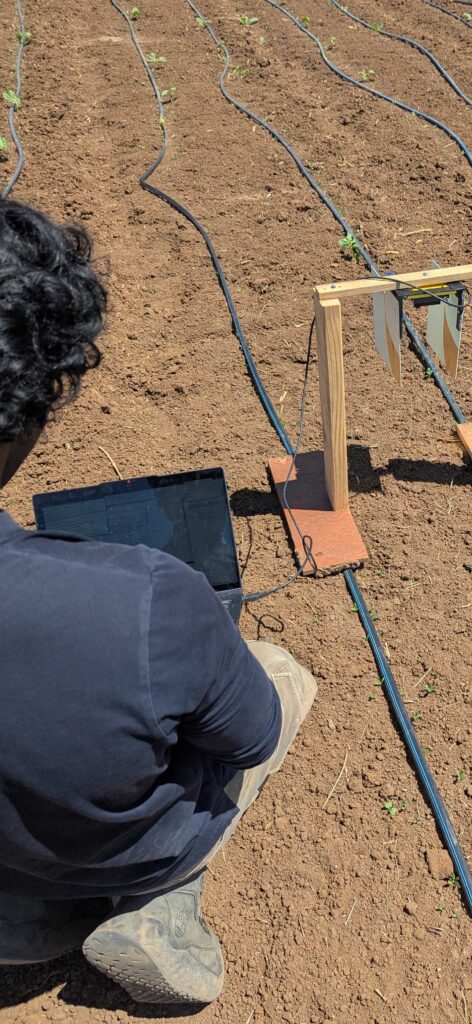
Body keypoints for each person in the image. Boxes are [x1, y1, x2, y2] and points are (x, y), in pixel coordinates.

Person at [0, 199, 317, 1004]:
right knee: (279, 677)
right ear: (32, 405)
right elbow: (248, 739)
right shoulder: (149, 598)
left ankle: (23, 912)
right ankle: (155, 901)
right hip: (120, 844)